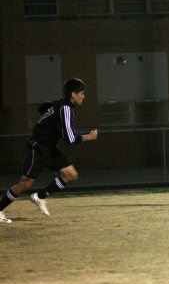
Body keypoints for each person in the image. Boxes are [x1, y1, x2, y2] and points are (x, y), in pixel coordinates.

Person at [0, 78, 98, 223]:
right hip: (39, 147)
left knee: (70, 174)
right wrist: (89, 137)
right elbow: (69, 138)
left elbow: (43, 109)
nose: (83, 96)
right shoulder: (65, 108)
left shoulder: (59, 105)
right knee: (25, 183)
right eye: (82, 93)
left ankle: (39, 196)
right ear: (73, 94)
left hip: (50, 147)